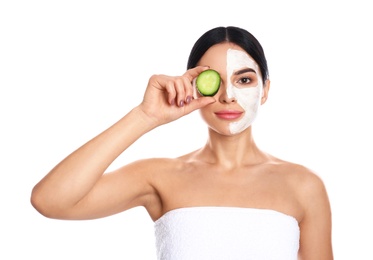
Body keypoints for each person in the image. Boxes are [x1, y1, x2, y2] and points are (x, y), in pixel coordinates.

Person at [31, 26, 333, 259]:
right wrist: (145, 116)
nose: (228, 95)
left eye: (244, 80)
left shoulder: (303, 185)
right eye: (214, 79)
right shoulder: (160, 176)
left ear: (265, 90)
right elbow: (50, 200)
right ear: (193, 86)